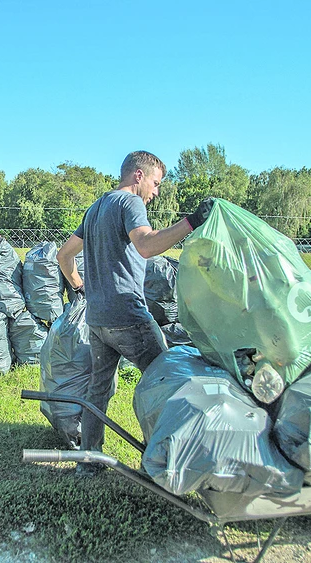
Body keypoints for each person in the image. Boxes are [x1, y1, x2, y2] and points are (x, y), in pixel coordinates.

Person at [56, 150, 213, 476]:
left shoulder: (96, 208)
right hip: (128, 317)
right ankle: (163, 463)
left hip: (98, 319)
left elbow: (63, 255)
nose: (155, 193)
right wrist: (191, 221)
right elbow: (146, 245)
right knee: (168, 382)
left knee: (97, 391)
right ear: (138, 176)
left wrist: (80, 287)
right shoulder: (130, 203)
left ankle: (89, 464)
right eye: (155, 184)